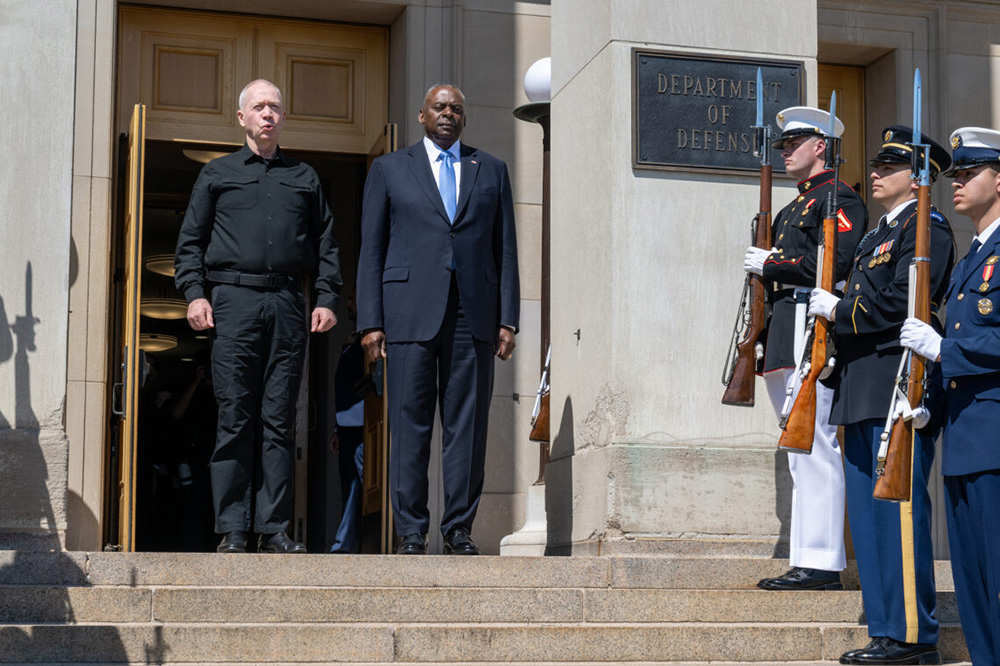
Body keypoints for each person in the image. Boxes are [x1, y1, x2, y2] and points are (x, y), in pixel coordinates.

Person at [175, 79, 343, 554]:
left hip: (288, 303)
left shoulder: (304, 178)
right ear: (242, 118)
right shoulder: (217, 174)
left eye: (275, 107)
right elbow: (190, 242)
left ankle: (273, 529)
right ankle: (232, 528)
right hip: (233, 302)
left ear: (283, 119)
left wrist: (327, 297)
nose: (267, 114)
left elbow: (327, 245)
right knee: (234, 416)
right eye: (258, 107)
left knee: (279, 418)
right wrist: (195, 294)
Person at [356, 84, 519, 555]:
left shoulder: (491, 169)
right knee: (409, 425)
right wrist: (371, 322)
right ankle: (410, 531)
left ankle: (458, 530)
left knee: (466, 427)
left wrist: (508, 318)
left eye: (457, 109)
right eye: (439, 107)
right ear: (421, 115)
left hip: (475, 315)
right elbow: (372, 249)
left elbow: (504, 248)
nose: (448, 113)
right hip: (407, 313)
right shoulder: (389, 169)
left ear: (464, 119)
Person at [811, 127, 953, 665]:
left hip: (898, 382)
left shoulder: (928, 230)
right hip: (858, 384)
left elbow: (899, 305)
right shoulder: (875, 236)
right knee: (869, 522)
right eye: (875, 164)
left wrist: (838, 312)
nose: (875, 173)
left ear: (919, 178)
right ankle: (884, 628)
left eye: (888, 166)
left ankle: (913, 636)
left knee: (899, 513)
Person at [746, 107, 867, 590]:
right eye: (782, 144)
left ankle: (821, 562)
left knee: (815, 444)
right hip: (783, 329)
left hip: (808, 324)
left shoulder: (838, 198)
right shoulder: (795, 204)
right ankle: (807, 556)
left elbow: (831, 260)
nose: (785, 151)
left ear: (821, 146)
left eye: (794, 142)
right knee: (798, 447)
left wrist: (772, 261)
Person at [902, 126, 1000, 666]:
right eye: (954, 175)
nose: (955, 183)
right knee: (973, 588)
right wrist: (928, 408)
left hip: (994, 441)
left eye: (968, 173)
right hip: (963, 441)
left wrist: (943, 351)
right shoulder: (969, 261)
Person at [329, 290, 366, 554]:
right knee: (349, 487)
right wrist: (336, 428)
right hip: (347, 426)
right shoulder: (351, 340)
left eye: (352, 298)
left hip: (367, 425)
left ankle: (344, 546)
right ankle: (347, 544)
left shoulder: (371, 341)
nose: (348, 303)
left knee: (359, 487)